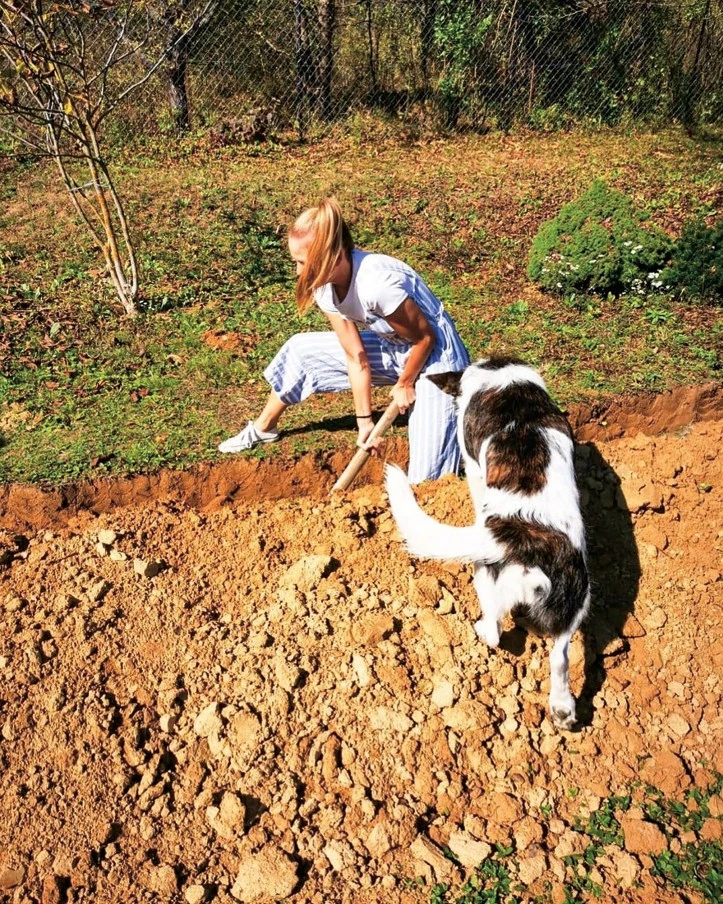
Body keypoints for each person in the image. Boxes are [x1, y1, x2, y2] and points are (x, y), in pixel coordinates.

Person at [218, 198, 470, 484]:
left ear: (332, 256)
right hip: (393, 345)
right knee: (302, 352)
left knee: (425, 481)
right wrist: (365, 422)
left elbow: (425, 338)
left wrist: (405, 383)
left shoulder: (377, 284)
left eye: (303, 263)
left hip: (438, 358)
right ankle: (264, 428)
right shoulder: (325, 287)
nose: (298, 272)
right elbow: (355, 357)